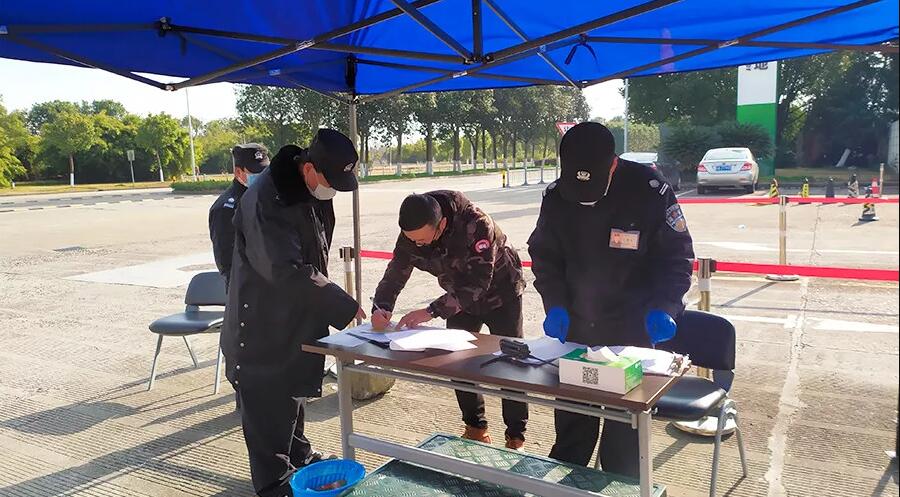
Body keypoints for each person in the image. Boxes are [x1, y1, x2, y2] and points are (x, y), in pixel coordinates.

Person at [527, 122, 694, 475]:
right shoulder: (556, 197)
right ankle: (565, 482)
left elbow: (676, 258)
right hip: (576, 325)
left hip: (631, 326)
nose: (584, 196)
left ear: (613, 164)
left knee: (624, 434)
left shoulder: (650, 191)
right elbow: (544, 256)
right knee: (572, 425)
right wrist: (554, 303)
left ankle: (620, 484)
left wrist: (665, 307)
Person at [220, 129, 366, 497]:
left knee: (293, 393)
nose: (333, 191)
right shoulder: (264, 200)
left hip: (292, 317)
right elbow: (285, 270)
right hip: (260, 325)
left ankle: (300, 457)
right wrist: (344, 306)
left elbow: (315, 253)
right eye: (331, 183)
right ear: (310, 168)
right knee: (269, 407)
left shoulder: (308, 191)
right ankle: (276, 484)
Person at [371, 191, 529, 449]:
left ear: (442, 224)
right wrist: (382, 307)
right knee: (458, 362)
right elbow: (395, 273)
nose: (418, 245)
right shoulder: (414, 231)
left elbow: (478, 283)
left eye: (423, 240)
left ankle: (515, 436)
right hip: (457, 296)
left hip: (501, 294)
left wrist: (431, 311)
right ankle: (475, 427)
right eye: (413, 240)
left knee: (511, 363)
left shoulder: (476, 224)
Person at [209, 143, 269, 289]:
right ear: (238, 172)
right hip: (247, 290)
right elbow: (227, 262)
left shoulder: (266, 198)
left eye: (265, 171)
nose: (262, 177)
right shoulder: (225, 209)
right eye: (256, 173)